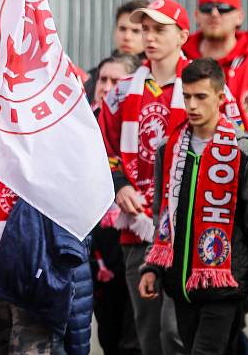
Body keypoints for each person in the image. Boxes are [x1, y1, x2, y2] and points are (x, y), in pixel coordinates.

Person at [99, 0, 198, 355]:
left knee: (179, 331)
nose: (150, 37)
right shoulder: (123, 90)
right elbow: (99, 149)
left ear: (183, 35)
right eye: (145, 29)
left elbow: (231, 145)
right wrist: (119, 183)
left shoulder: (202, 84)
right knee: (149, 333)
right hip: (137, 227)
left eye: (160, 29)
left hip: (188, 230)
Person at [139, 58, 248, 354]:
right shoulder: (169, 148)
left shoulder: (243, 152)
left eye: (201, 96)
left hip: (224, 286)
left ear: (220, 97)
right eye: (186, 96)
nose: (191, 105)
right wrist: (152, 267)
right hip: (180, 286)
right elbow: (162, 215)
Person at [90, 53, 143, 355]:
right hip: (98, 251)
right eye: (102, 79)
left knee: (133, 340)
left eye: (115, 81)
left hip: (136, 239)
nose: (106, 86)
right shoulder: (82, 124)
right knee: (108, 336)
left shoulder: (139, 126)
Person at [183, 0, 248, 131]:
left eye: (223, 8)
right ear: (196, 15)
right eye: (206, 8)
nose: (214, 14)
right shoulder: (180, 55)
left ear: (240, 16)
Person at [86, 0, 148, 105]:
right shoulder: (94, 77)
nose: (127, 37)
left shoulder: (154, 77)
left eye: (136, 31)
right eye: (122, 29)